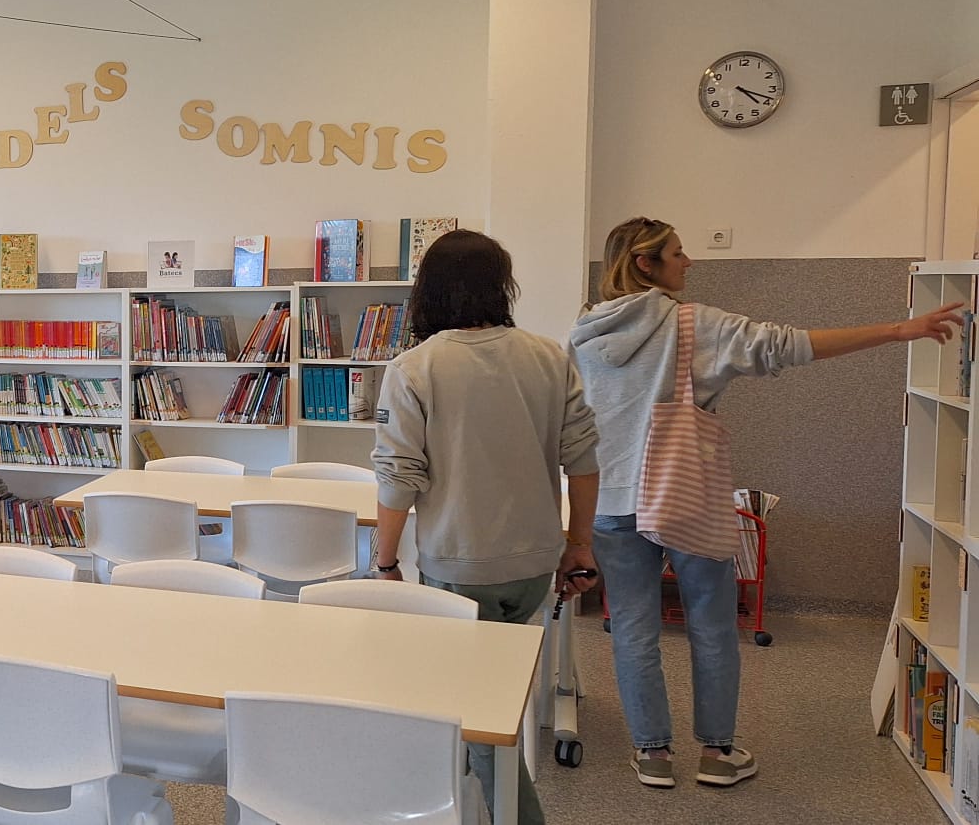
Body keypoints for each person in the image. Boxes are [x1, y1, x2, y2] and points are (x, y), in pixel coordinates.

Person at [572, 216, 960, 790]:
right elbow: (790, 345)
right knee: (711, 624)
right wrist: (899, 330)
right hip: (683, 493)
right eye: (677, 253)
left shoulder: (584, 333)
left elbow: (576, 422)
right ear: (645, 264)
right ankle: (716, 754)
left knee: (632, 627)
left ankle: (652, 755)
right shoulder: (692, 323)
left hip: (609, 498)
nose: (689, 262)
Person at [371, 229, 600, 825]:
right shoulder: (548, 356)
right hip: (535, 565)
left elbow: (399, 478)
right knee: (488, 695)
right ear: (501, 286)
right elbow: (583, 461)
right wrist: (579, 545)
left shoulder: (414, 367)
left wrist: (385, 561)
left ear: (428, 291)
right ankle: (463, 799)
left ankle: (517, 815)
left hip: (457, 565)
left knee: (473, 713)